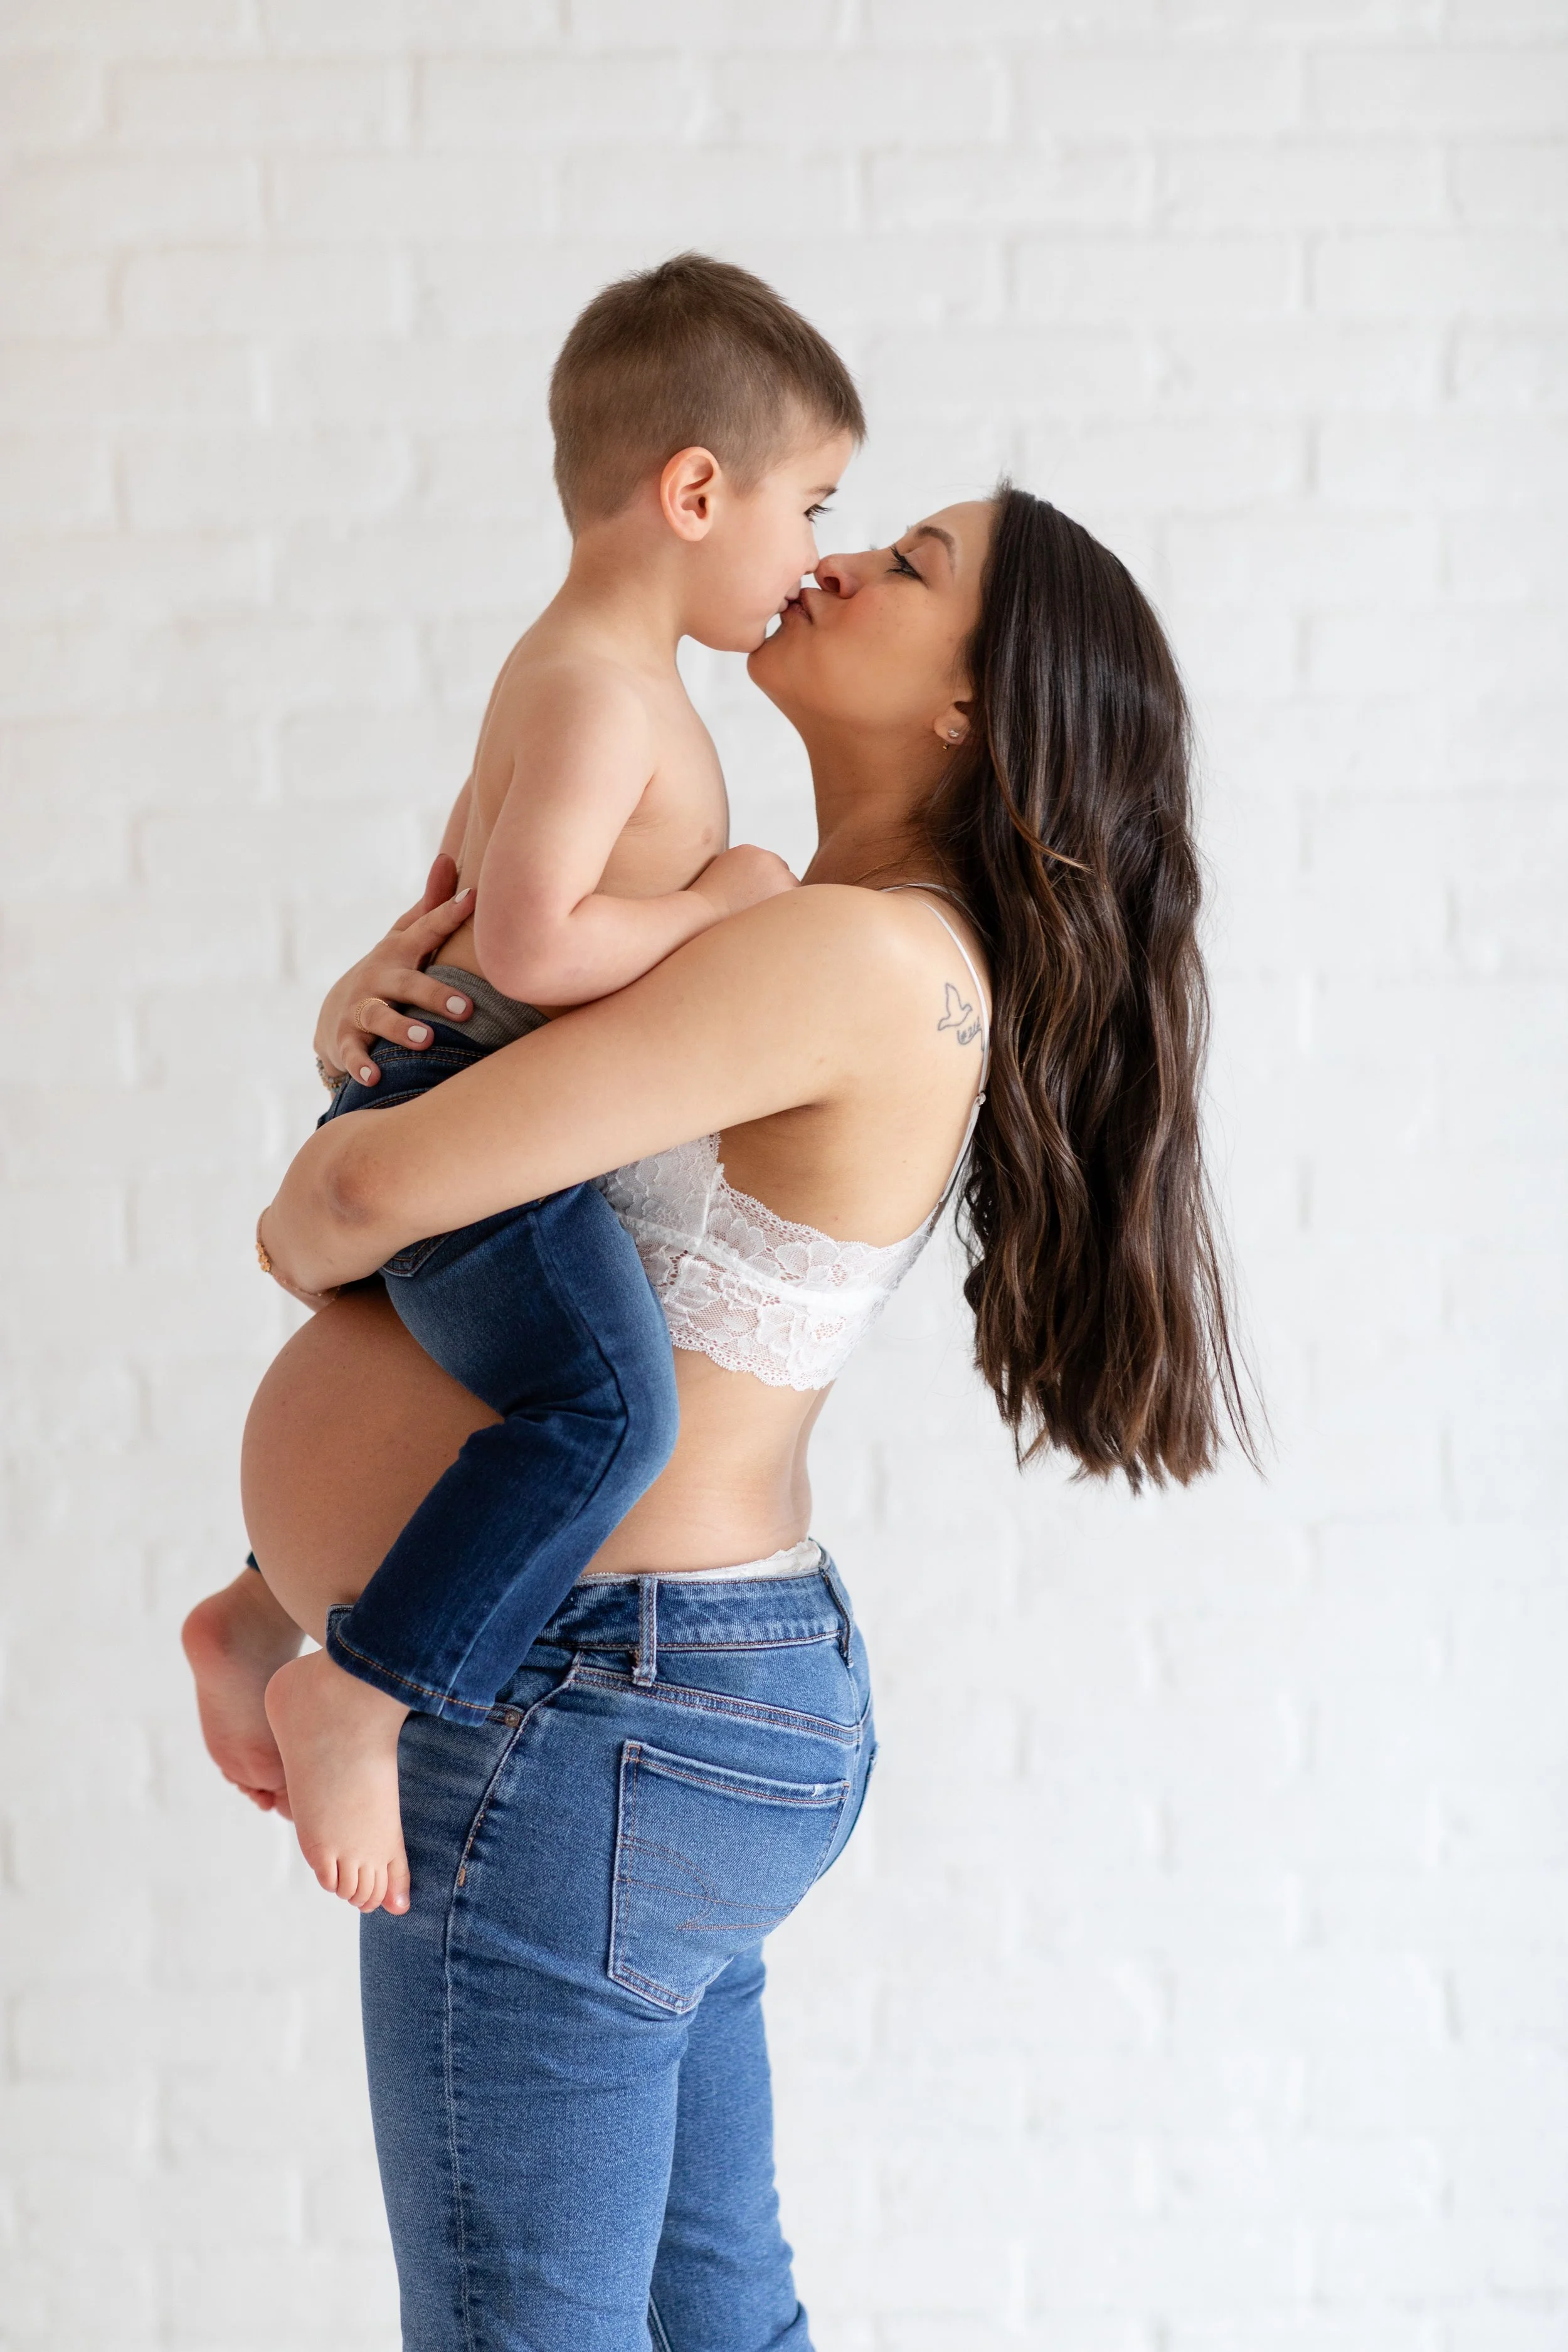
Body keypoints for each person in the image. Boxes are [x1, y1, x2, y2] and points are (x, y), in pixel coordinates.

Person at [237, 484, 1251, 2351]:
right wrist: (361, 1035)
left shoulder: (844, 956)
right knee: (718, 2321)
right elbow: (513, 1237)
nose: (836, 558)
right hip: (663, 1694)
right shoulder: (847, 938)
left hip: (587, 1708)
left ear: (970, 702)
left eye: (909, 568)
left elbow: (364, 1208)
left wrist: (312, 1180)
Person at [182, 253, 863, 1914]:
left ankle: (260, 1605)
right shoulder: (590, 690)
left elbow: (450, 901)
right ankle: (363, 1677)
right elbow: (536, 939)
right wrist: (721, 903)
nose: (817, 551)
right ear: (694, 490)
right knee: (608, 1411)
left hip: (467, 1106)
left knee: (519, 1401)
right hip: (469, 1127)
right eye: (813, 503)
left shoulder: (607, 680)